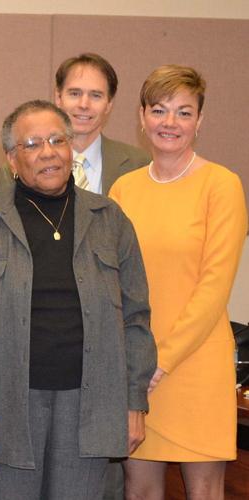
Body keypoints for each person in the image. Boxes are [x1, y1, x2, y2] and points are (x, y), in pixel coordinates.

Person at [0, 100, 157, 500]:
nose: (48, 152)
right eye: (33, 144)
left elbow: (136, 319)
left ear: (70, 148)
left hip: (90, 411)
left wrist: (133, 403)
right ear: (11, 159)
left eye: (57, 140)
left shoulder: (110, 220)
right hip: (5, 411)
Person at [109, 65, 248, 500]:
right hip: (138, 367)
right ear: (142, 116)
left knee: (204, 492)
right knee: (139, 491)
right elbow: (110, 282)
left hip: (196, 365)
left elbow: (214, 288)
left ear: (199, 120)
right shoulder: (123, 190)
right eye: (159, 110)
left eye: (184, 112)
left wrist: (162, 361)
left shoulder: (221, 185)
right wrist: (138, 363)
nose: (170, 122)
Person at [0, 53, 150, 196]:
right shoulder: (18, 165)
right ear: (58, 97)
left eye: (96, 95)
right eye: (75, 94)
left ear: (109, 104)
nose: (84, 104)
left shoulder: (139, 164)